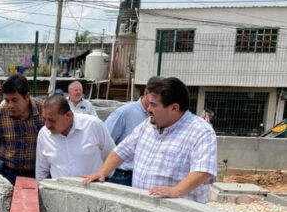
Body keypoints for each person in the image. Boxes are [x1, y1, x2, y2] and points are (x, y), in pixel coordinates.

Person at [83, 77, 217, 203]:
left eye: (153, 105)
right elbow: (121, 151)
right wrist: (102, 173)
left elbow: (202, 171)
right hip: (145, 210)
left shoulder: (200, 132)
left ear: (174, 108)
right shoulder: (147, 125)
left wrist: (177, 191)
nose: (148, 109)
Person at [36, 95, 115, 181]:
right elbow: (41, 170)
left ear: (68, 115)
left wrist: (102, 176)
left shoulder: (94, 126)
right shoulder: (44, 134)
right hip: (60, 192)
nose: (47, 125)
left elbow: (112, 156)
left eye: (52, 120)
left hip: (93, 190)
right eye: (44, 119)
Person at [0, 74, 45, 184]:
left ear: (27, 96)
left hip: (37, 174)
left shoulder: (44, 110)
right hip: (8, 174)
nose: (10, 105)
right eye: (7, 100)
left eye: (14, 100)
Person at [103, 76, 161, 186]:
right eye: (155, 97)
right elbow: (104, 142)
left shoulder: (159, 117)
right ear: (146, 93)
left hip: (144, 177)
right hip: (121, 176)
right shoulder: (123, 113)